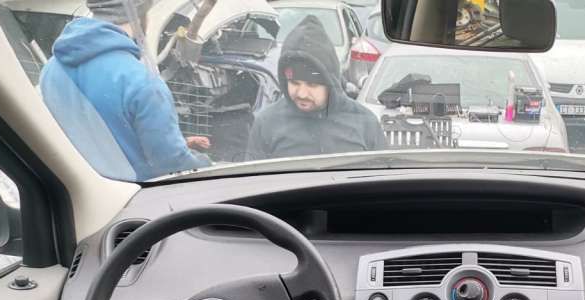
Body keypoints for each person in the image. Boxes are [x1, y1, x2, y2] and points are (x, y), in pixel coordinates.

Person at [40, 0, 210, 181]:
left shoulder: (51, 68)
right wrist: (208, 165)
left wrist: (180, 142)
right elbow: (171, 164)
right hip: (130, 193)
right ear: (140, 13)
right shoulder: (143, 82)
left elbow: (91, 135)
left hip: (72, 186)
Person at [245, 15, 384, 160]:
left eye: (312, 85)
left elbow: (383, 172)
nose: (302, 93)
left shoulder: (364, 123)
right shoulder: (267, 124)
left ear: (330, 83)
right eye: (294, 83)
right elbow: (253, 174)